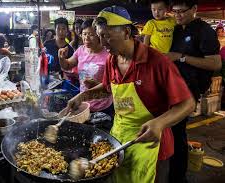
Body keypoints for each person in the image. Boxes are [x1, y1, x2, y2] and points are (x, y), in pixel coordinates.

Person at [67, 6, 195, 183]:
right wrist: (82, 97)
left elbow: (188, 104)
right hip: (119, 140)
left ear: (126, 32)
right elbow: (107, 88)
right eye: (99, 36)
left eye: (106, 35)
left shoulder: (157, 62)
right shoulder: (112, 59)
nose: (102, 41)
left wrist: (160, 123)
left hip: (152, 146)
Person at [166, 0, 221, 182]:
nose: (178, 15)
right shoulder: (176, 29)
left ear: (194, 9)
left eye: (182, 11)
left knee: (178, 133)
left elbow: (215, 63)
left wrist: (181, 58)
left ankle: (178, 177)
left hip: (189, 89)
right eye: (175, 12)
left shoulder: (204, 31)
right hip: (173, 87)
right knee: (173, 132)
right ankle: (172, 172)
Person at [58, 19, 113, 130]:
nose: (86, 38)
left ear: (99, 35)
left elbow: (112, 84)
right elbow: (67, 65)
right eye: (84, 34)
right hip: (83, 105)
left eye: (91, 34)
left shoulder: (108, 55)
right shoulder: (81, 50)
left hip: (103, 107)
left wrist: (96, 84)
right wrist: (61, 58)